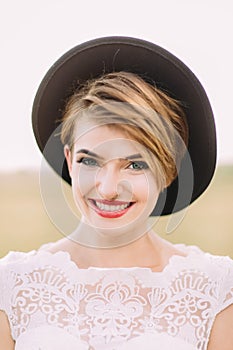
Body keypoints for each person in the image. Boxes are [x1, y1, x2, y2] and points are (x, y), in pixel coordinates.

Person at [0, 36, 233, 350]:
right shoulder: (12, 284)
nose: (108, 189)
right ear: (69, 161)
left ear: (168, 170)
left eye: (135, 165)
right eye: (90, 160)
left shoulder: (214, 290)